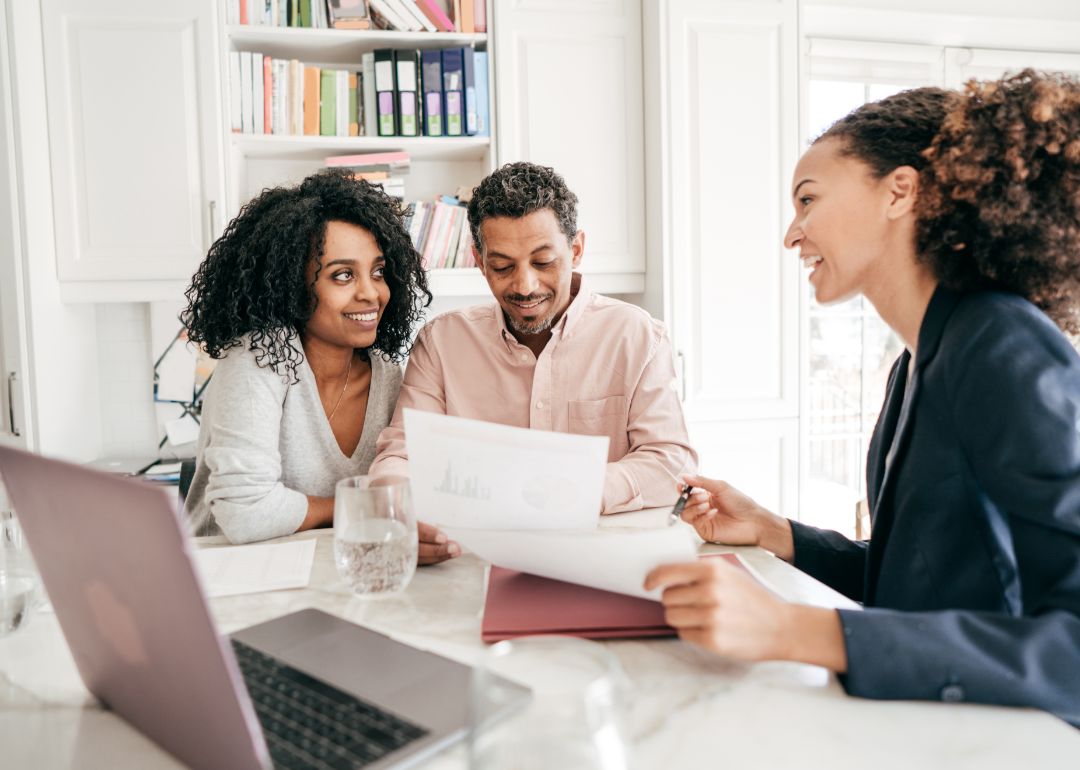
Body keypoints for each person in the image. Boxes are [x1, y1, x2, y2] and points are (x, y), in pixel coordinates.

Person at [645, 71, 1080, 726]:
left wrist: (793, 630)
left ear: (899, 191)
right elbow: (922, 581)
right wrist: (774, 531)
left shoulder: (999, 342)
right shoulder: (917, 363)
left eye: (808, 200)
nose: (792, 235)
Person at [370, 162, 698, 564]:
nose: (525, 286)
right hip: (472, 560)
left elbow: (669, 463)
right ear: (478, 259)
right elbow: (400, 454)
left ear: (575, 250)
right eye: (503, 266)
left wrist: (573, 490)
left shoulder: (639, 336)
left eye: (543, 262)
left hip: (604, 561)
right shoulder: (441, 343)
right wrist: (397, 510)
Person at [182, 170, 430, 544]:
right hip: (228, 577)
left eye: (378, 272)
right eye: (343, 275)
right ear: (291, 285)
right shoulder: (258, 358)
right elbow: (245, 513)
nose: (371, 293)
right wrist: (360, 506)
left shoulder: (389, 376)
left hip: (330, 572)